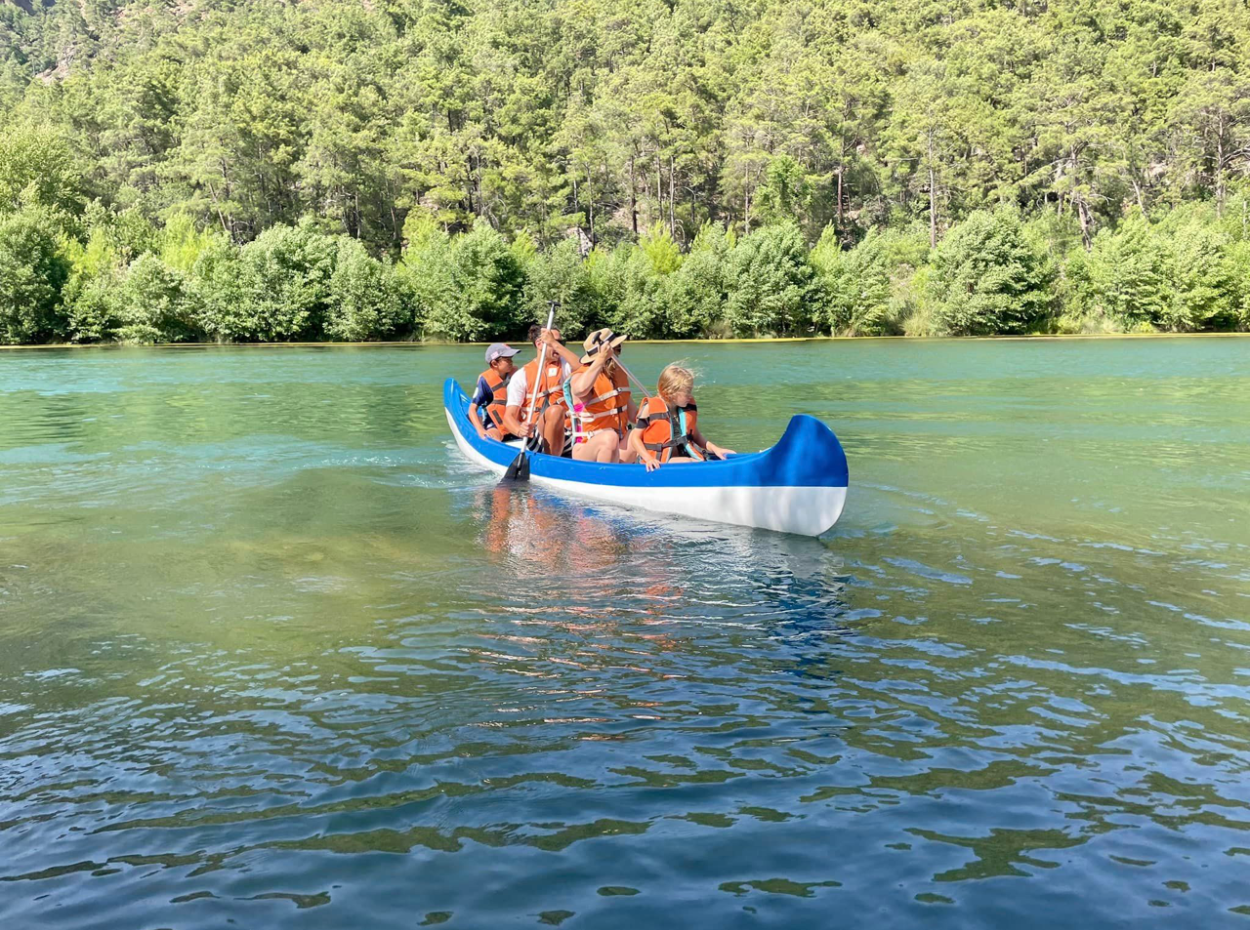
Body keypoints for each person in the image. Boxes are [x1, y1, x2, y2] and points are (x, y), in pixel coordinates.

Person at [629, 364, 735, 470]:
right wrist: (648, 459)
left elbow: (697, 437)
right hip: (658, 462)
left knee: (697, 461)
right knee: (690, 462)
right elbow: (635, 438)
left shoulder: (683, 410)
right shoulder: (649, 409)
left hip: (680, 458)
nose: (690, 396)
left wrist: (716, 449)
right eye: (687, 392)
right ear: (671, 392)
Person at [501, 323, 583, 455]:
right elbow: (508, 417)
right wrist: (519, 430)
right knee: (555, 411)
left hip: (569, 432)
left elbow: (583, 368)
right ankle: (551, 459)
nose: (559, 346)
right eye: (554, 342)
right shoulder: (521, 375)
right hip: (537, 438)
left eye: (561, 343)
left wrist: (554, 343)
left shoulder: (565, 365)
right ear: (540, 344)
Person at [566, 328, 638, 463]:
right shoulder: (581, 375)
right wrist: (601, 359)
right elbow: (580, 390)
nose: (619, 351)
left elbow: (634, 415)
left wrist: (655, 412)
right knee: (609, 437)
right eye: (617, 348)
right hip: (587, 448)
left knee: (639, 431)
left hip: (618, 447)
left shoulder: (618, 376)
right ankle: (604, 473)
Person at [468, 343, 519, 441]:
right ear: (495, 364)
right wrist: (480, 430)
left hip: (515, 422)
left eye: (511, 358)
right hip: (495, 424)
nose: (511, 362)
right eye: (507, 359)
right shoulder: (485, 381)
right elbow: (472, 409)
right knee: (493, 436)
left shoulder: (516, 375)